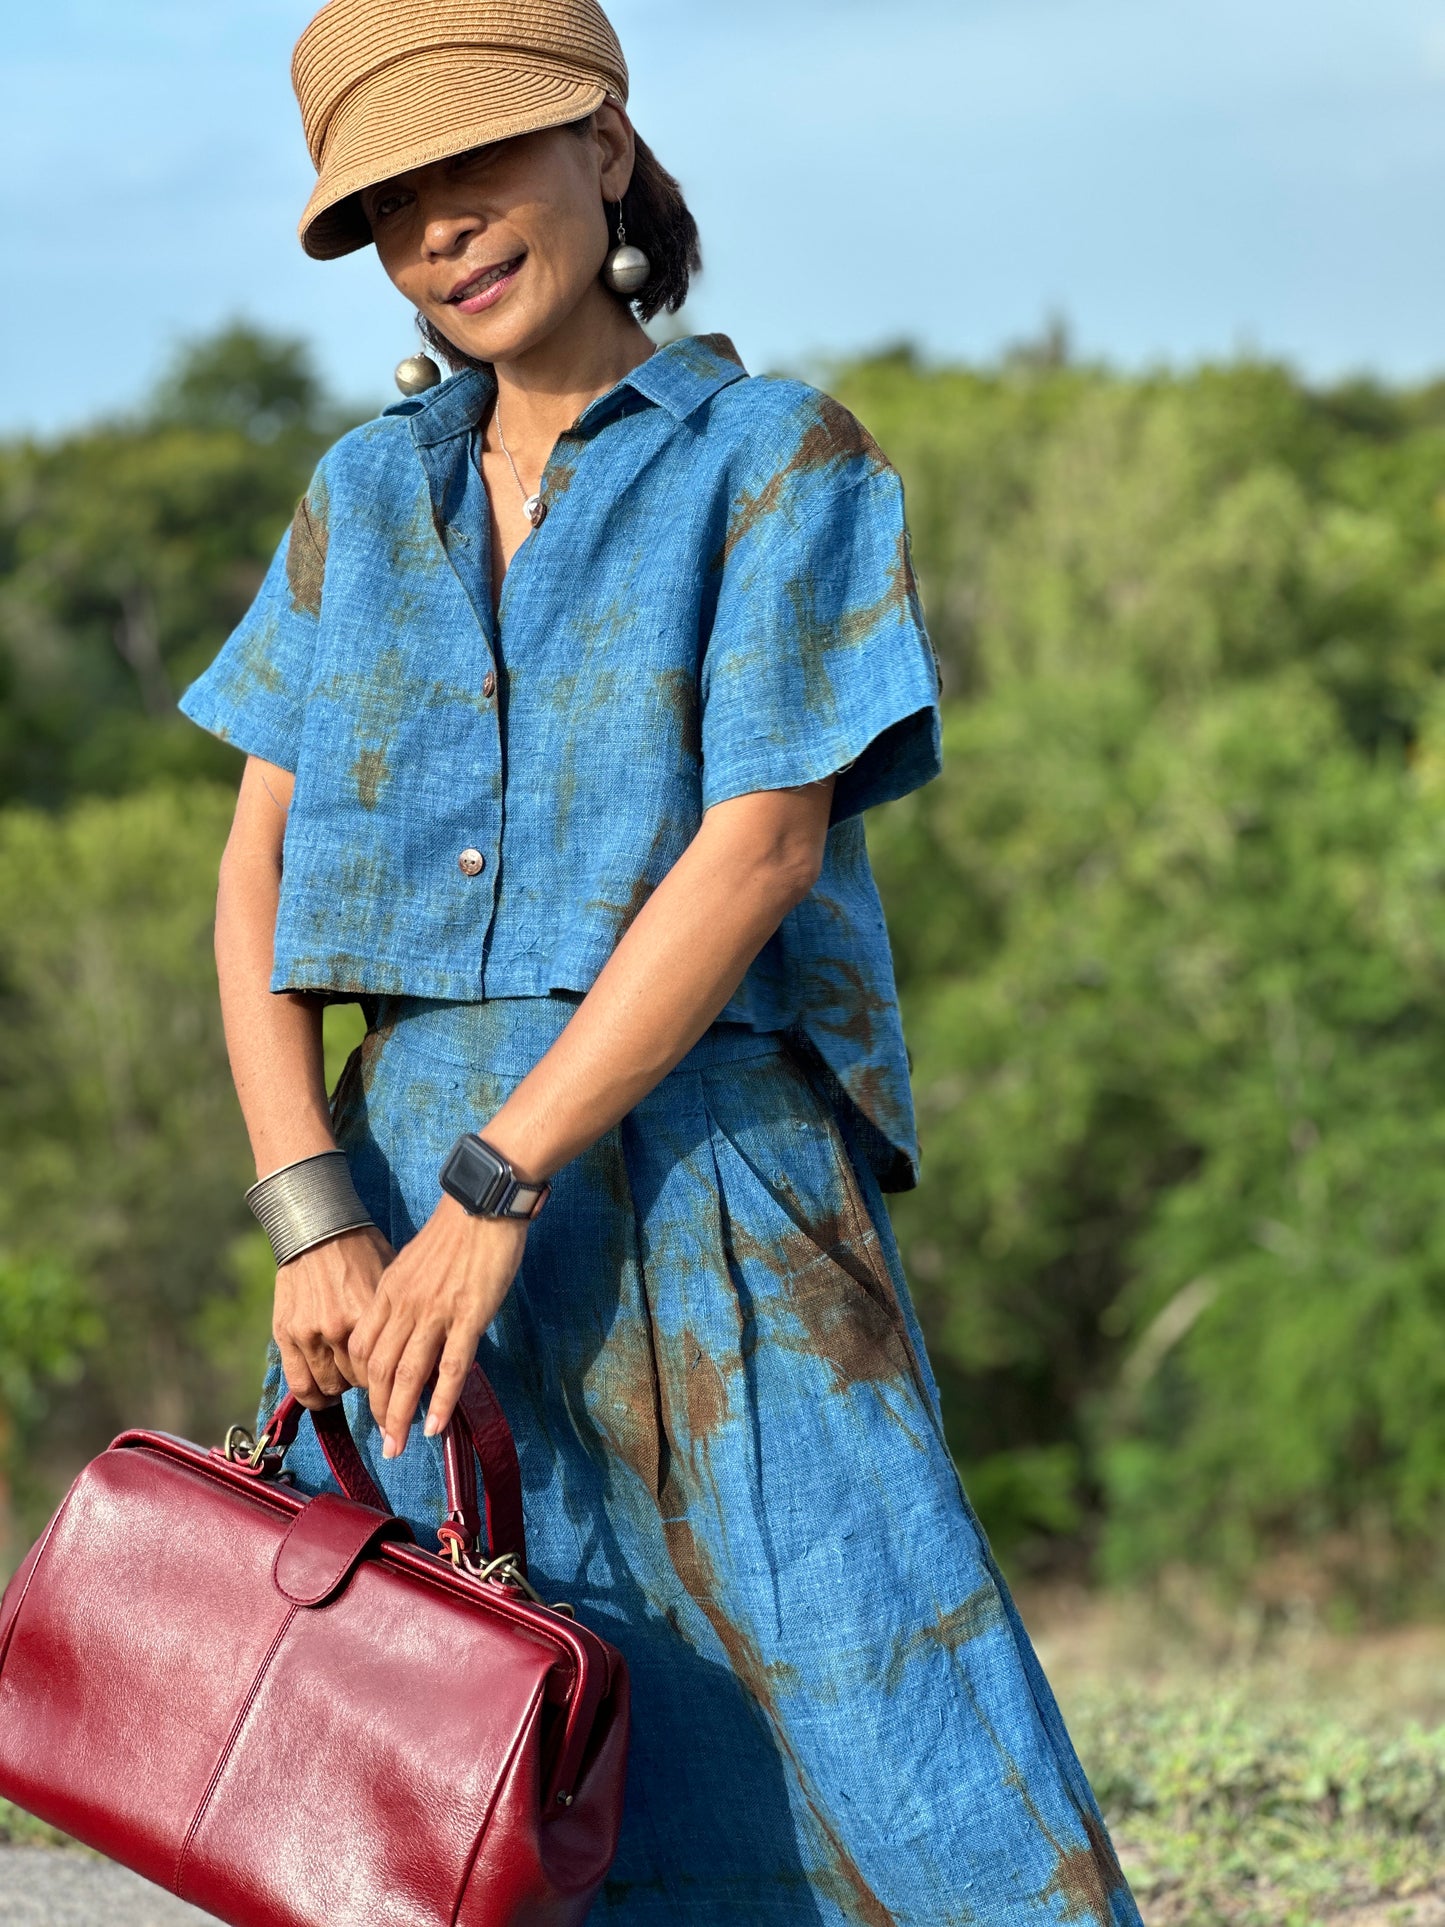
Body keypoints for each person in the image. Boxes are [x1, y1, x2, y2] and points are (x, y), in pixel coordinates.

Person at [180, 1, 1143, 1920]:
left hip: (708, 1192)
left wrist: (497, 1180)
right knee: (491, 1765)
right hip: (397, 1237)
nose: (440, 230)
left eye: (476, 165)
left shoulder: (777, 460)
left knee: (885, 1717)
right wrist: (316, 1213)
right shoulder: (360, 497)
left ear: (604, 151)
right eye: (391, 204)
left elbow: (762, 844)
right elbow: (256, 874)